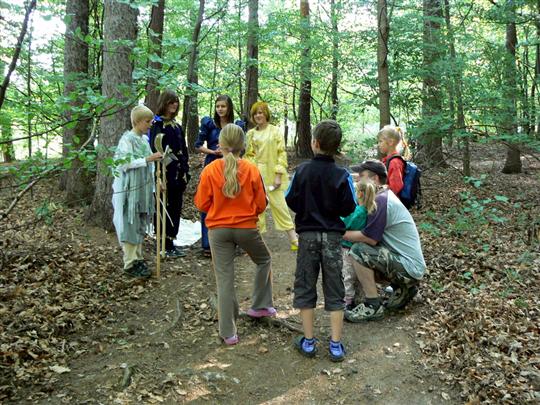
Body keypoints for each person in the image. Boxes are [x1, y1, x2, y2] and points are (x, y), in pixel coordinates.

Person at [194, 124, 275, 345]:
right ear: (243, 145)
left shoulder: (210, 170)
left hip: (217, 231)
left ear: (220, 144)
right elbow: (261, 204)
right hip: (246, 228)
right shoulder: (251, 169)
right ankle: (260, 305)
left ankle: (228, 332)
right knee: (264, 260)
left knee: (224, 279)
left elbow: (201, 204)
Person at [285, 120, 356, 362]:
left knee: (306, 284)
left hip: (307, 236)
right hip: (333, 238)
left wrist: (307, 208)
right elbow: (350, 206)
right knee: (335, 287)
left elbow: (290, 199)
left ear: (314, 143)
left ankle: (308, 342)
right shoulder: (343, 175)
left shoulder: (302, 171)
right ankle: (335, 345)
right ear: (337, 147)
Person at [343, 160, 426, 323]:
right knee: (364, 250)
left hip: (409, 267)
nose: (358, 180)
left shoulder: (381, 201)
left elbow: (369, 238)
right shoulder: (384, 196)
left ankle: (373, 305)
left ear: (374, 179)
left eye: (362, 176)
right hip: (410, 265)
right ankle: (402, 288)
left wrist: (340, 233)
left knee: (358, 251)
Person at [112, 105, 163, 278]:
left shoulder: (143, 140)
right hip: (130, 190)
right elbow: (124, 164)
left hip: (143, 188)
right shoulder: (126, 140)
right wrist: (148, 158)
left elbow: (150, 164)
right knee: (130, 223)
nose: (150, 125)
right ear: (137, 121)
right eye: (147, 122)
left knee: (140, 222)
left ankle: (138, 258)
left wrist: (157, 179)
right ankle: (130, 262)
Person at [194, 95, 246, 257]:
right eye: (218, 106)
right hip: (212, 163)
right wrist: (213, 151)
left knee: (231, 201)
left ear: (229, 107)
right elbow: (197, 145)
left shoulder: (237, 125)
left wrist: (228, 152)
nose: (220, 109)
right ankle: (208, 244)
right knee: (209, 202)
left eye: (223, 106)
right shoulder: (209, 124)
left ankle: (231, 242)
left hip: (232, 164)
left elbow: (242, 147)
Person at [244, 101, 298, 251]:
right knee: (257, 207)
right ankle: (259, 244)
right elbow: (249, 155)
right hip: (257, 174)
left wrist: (278, 175)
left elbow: (281, 153)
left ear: (266, 114)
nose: (258, 115)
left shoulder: (275, 131)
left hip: (273, 174)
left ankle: (294, 239)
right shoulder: (251, 134)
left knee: (280, 205)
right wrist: (251, 173)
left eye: (261, 112)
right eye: (255, 113)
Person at [148, 90, 190, 258]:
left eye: (176, 102)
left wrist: (185, 170)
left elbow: (183, 150)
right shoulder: (157, 125)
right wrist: (159, 177)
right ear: (164, 103)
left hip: (178, 174)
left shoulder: (176, 126)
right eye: (171, 102)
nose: (174, 105)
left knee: (175, 207)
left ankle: (171, 242)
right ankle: (163, 244)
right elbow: (155, 150)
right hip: (164, 173)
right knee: (163, 207)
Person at [341, 178, 378, 310]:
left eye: (355, 191)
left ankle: (347, 301)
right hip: (361, 248)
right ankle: (359, 298)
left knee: (348, 275)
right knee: (357, 276)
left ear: (360, 193)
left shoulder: (357, 212)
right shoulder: (370, 210)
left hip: (348, 248)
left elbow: (344, 223)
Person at [377, 125, 406, 196]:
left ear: (390, 142)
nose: (378, 144)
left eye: (380, 141)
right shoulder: (387, 160)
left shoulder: (394, 162)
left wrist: (379, 188)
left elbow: (396, 187)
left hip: (390, 200)